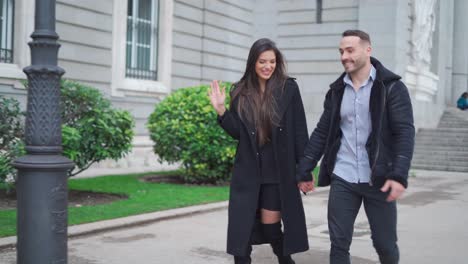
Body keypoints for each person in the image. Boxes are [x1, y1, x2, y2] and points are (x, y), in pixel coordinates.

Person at [296, 30, 415, 264]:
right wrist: (305, 168)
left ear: (367, 50)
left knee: (385, 244)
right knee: (338, 244)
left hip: (379, 179)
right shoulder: (337, 91)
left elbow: (404, 132)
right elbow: (322, 132)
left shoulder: (391, 87)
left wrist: (399, 174)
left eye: (350, 50)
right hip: (344, 176)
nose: (344, 56)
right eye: (341, 51)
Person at [209, 38, 312, 264]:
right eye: (262, 61)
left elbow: (300, 131)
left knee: (272, 228)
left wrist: (304, 172)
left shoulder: (288, 88)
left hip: (276, 175)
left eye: (272, 62)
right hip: (247, 174)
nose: (268, 66)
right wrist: (222, 111)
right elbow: (239, 133)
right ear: (253, 63)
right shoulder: (240, 91)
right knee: (241, 237)